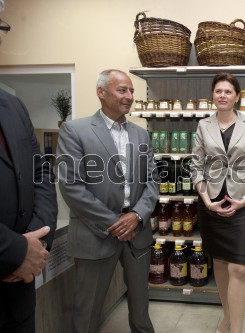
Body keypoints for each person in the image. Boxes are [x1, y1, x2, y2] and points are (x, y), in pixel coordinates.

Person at [57, 69, 159, 333]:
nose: (129, 96)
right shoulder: (74, 130)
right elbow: (71, 186)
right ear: (101, 93)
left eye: (132, 91)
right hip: (96, 232)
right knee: (87, 308)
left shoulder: (141, 135)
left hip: (137, 230)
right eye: (122, 90)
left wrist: (136, 216)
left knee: (140, 305)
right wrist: (115, 222)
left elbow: (152, 181)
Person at [190, 72, 245, 333]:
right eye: (218, 91)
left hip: (242, 205)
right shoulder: (204, 125)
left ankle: (237, 329)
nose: (222, 95)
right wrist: (206, 200)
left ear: (237, 96)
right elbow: (196, 167)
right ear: (213, 95)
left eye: (228, 91)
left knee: (238, 268)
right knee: (220, 264)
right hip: (211, 205)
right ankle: (226, 317)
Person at [0, 2, 58, 331]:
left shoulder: (13, 105)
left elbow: (40, 174)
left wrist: (36, 242)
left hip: (18, 298)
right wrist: (16, 251)